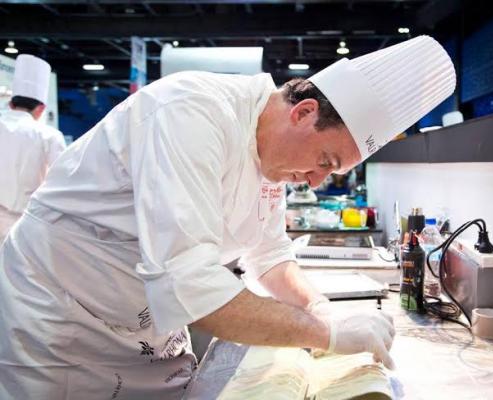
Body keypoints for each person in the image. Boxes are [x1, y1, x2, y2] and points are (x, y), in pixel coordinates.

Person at [0, 36, 455, 399]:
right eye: (325, 160)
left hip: (143, 325)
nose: (316, 182)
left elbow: (270, 253)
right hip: (63, 319)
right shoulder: (191, 113)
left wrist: (314, 304)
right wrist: (328, 333)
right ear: (303, 112)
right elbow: (190, 283)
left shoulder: (275, 154)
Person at [0, 54, 66, 243]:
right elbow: (61, 180)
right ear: (41, 108)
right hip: (29, 221)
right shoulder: (49, 135)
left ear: (11, 104)